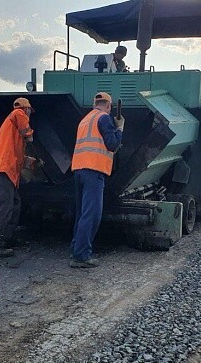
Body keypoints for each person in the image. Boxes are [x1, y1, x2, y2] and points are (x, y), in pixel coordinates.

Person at [69, 92, 125, 268]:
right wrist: (120, 129)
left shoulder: (85, 120)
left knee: (82, 214)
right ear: (108, 106)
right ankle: (81, 256)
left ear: (95, 104)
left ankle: (76, 249)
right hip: (94, 171)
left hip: (79, 170)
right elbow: (112, 144)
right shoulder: (104, 118)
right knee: (92, 214)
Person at [0, 97, 36, 257]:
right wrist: (29, 134)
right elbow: (28, 134)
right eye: (29, 112)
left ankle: (7, 238)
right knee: (3, 206)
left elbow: (16, 155)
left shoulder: (11, 128)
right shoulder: (18, 114)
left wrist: (31, 162)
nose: (29, 115)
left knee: (14, 203)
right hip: (4, 170)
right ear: (26, 109)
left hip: (8, 170)